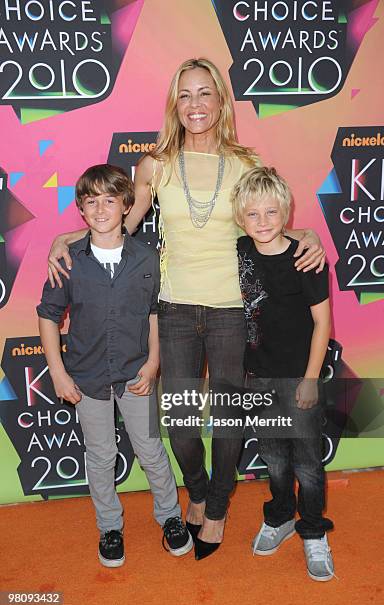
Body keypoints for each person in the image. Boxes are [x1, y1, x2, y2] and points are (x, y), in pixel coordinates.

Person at [47, 58, 325, 560]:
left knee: (226, 419)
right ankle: (194, 490)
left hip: (231, 310)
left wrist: (306, 234)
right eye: (185, 95)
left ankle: (215, 506)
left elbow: (270, 219)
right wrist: (65, 238)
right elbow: (120, 225)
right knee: (177, 425)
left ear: (220, 100)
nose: (195, 105)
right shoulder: (154, 164)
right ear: (174, 104)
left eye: (204, 94)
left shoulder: (244, 161)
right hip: (173, 308)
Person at [37, 164, 192, 568]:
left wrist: (154, 362)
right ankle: (109, 526)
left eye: (110, 199)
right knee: (101, 454)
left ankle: (171, 518)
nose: (101, 208)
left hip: (136, 373)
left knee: (150, 449)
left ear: (127, 205)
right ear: (81, 210)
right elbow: (48, 315)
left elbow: (155, 312)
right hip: (86, 377)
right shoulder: (67, 259)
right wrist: (57, 371)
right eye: (91, 201)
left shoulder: (147, 257)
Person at [232, 166, 335, 581]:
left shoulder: (305, 258)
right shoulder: (238, 250)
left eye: (271, 213)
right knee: (274, 459)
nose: (262, 222)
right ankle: (279, 517)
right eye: (253, 214)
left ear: (286, 212)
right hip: (257, 379)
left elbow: (323, 324)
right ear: (241, 217)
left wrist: (310, 378)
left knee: (308, 464)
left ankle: (313, 530)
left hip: (298, 378)